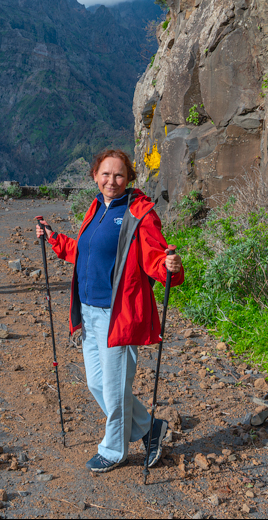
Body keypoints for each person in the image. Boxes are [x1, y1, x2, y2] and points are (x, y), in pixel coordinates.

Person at [36, 149, 182, 473]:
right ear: (95, 176)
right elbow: (85, 251)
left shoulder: (138, 213)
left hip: (117, 315)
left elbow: (155, 257)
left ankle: (114, 451)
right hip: (88, 313)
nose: (111, 181)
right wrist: (55, 239)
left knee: (114, 392)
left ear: (129, 178)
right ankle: (148, 428)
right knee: (97, 385)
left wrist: (169, 265)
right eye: (105, 174)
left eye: (118, 175)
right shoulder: (96, 208)